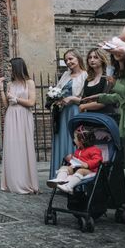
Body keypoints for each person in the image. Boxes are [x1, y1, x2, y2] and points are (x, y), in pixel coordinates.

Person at [84, 50, 125, 227]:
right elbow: (118, 96)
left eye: (120, 52)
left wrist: (114, 85)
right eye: (114, 52)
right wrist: (98, 96)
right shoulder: (121, 73)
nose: (117, 54)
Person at [0, 57, 39, 194]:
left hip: (23, 115)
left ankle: (26, 181)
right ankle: (12, 181)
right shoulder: (10, 84)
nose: (9, 70)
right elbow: (5, 105)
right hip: (11, 115)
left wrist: (17, 99)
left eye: (10, 68)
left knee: (24, 146)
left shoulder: (30, 83)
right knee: (12, 147)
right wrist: (1, 89)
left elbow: (31, 102)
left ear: (17, 67)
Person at [49, 49, 87, 179]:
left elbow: (85, 98)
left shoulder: (85, 75)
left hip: (75, 111)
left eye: (71, 59)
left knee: (74, 140)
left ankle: (73, 176)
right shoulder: (65, 75)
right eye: (66, 60)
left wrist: (72, 99)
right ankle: (59, 175)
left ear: (78, 58)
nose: (68, 62)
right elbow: (58, 89)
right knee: (61, 139)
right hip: (62, 112)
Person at [47, 125, 103, 194]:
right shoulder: (78, 150)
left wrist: (87, 164)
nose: (74, 140)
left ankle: (69, 187)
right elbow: (77, 160)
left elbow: (98, 160)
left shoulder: (95, 150)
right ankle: (60, 181)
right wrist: (71, 159)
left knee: (81, 170)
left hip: (91, 171)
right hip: (78, 169)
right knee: (64, 167)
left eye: (75, 138)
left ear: (81, 140)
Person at [78, 48, 111, 114]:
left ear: (102, 60)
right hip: (90, 116)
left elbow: (104, 101)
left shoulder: (107, 77)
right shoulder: (88, 79)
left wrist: (84, 106)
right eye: (90, 58)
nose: (92, 60)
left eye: (96, 57)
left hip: (105, 116)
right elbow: (84, 99)